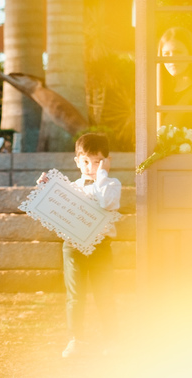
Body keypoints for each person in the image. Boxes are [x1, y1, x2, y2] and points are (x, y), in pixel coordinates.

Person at [37, 132, 121, 358]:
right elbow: (58, 208)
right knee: (75, 294)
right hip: (73, 246)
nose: (90, 167)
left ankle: (112, 340)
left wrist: (102, 174)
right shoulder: (71, 187)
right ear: (77, 161)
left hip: (101, 246)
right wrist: (46, 188)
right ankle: (77, 339)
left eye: (96, 161)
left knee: (105, 293)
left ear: (105, 161)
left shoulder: (111, 184)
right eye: (85, 161)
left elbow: (107, 202)